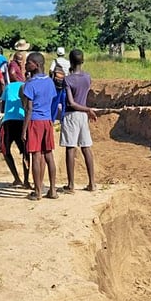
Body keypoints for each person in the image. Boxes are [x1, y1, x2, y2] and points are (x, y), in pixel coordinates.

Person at [21, 52, 57, 201]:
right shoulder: (50, 81)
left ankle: (37, 191)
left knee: (36, 155)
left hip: (35, 122)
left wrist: (24, 129)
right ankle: (53, 190)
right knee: (48, 155)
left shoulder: (30, 84)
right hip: (47, 121)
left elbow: (29, 109)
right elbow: (52, 100)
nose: (25, 64)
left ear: (36, 65)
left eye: (28, 62)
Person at [61, 49, 97, 193]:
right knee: (86, 147)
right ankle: (92, 183)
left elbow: (71, 103)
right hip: (83, 116)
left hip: (72, 115)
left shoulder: (68, 80)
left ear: (70, 61)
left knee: (70, 148)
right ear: (82, 61)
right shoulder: (87, 77)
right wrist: (87, 110)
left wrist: (87, 109)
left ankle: (71, 185)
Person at [0, 78, 29, 188]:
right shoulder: (27, 85)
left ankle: (17, 178)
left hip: (8, 121)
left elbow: (2, 107)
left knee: (5, 150)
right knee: (26, 152)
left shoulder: (8, 86)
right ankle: (26, 181)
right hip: (23, 121)